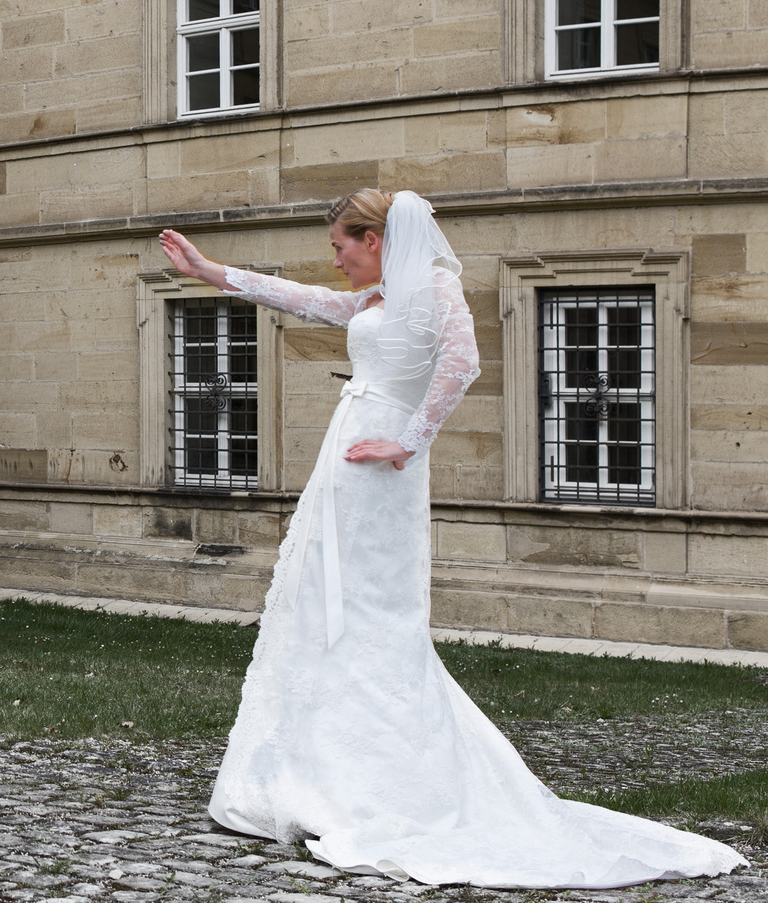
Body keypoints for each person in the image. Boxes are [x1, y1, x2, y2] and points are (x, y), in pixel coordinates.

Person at [160, 190, 742, 888]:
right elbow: (308, 300)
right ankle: (324, 773)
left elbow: (461, 364)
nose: (336, 259)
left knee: (377, 613)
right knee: (325, 604)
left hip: (380, 463)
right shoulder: (377, 298)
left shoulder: (433, 288)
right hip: (347, 459)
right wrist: (212, 272)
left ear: (375, 238)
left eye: (342, 245)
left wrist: (406, 442)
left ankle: (387, 785)